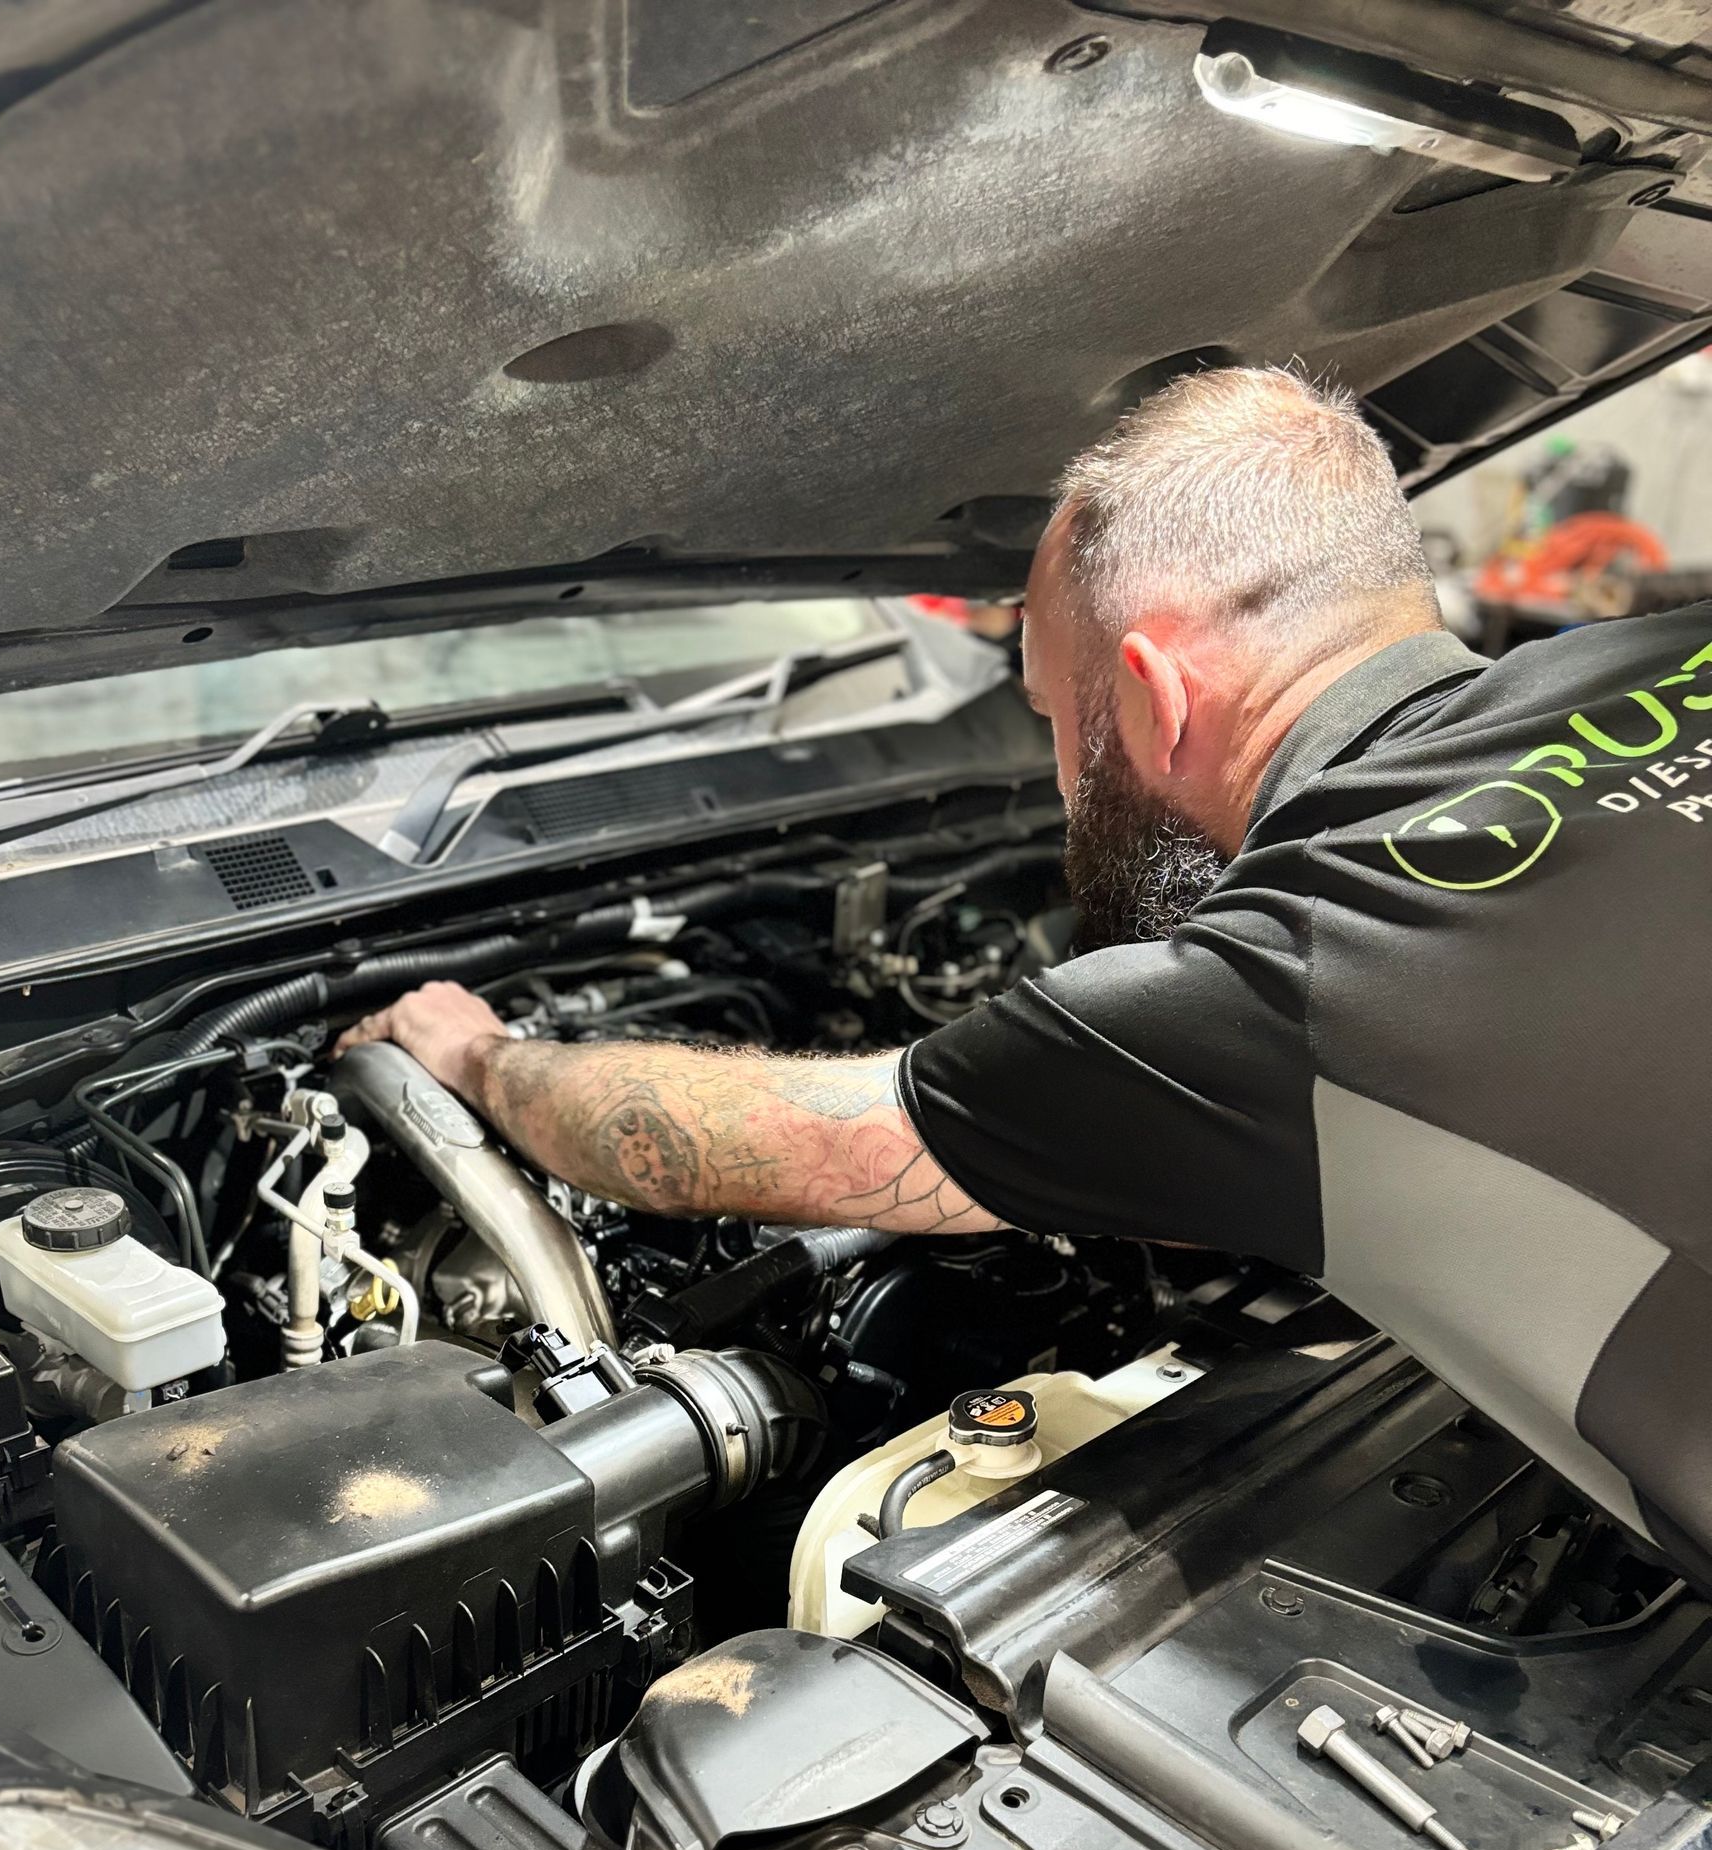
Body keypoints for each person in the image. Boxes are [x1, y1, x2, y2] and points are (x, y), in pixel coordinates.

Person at [341, 366, 1712, 1579]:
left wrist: (475, 1057)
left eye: (1058, 718)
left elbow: (727, 1144)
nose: (1062, 781)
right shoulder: (1675, 649)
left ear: (1158, 695)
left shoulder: (1285, 978)